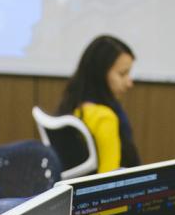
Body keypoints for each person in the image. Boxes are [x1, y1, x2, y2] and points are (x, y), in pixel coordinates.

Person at [57, 35, 139, 173]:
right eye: (122, 74)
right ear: (100, 74)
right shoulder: (104, 118)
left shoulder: (74, 108)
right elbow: (109, 179)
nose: (129, 82)